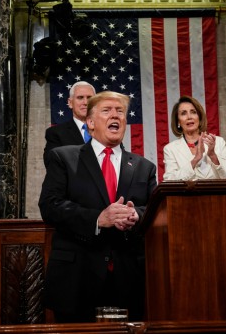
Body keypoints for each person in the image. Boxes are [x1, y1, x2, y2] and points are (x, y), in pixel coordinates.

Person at [39, 91, 157, 323]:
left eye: (120, 111)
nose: (115, 115)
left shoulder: (145, 167)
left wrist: (136, 215)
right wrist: (97, 219)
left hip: (129, 278)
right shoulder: (63, 158)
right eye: (107, 110)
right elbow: (50, 206)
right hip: (77, 278)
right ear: (90, 123)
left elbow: (154, 211)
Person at [163, 96, 226, 180]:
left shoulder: (218, 142)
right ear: (178, 121)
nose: (189, 117)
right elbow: (169, 181)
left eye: (193, 112)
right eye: (183, 113)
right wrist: (195, 159)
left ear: (199, 117)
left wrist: (213, 155)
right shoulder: (171, 149)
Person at [43, 81, 96, 167]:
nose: (85, 102)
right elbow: (53, 165)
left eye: (89, 98)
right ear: (70, 103)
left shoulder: (106, 130)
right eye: (80, 97)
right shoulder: (56, 133)